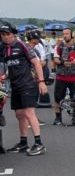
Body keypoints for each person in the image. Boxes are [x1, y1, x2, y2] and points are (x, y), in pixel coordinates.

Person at [0, 23, 47, 155]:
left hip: (28, 84)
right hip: (15, 86)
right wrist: (5, 76)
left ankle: (39, 144)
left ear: (13, 34)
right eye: (2, 35)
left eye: (7, 34)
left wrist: (42, 82)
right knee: (19, 114)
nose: (5, 37)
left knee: (29, 113)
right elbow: (12, 67)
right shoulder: (5, 49)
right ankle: (23, 142)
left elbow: (36, 63)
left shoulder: (21, 45)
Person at [52, 27, 75, 126]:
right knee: (57, 98)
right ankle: (57, 118)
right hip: (61, 76)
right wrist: (62, 62)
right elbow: (55, 59)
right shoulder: (59, 46)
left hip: (73, 76)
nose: (65, 35)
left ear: (71, 35)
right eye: (64, 34)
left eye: (67, 33)